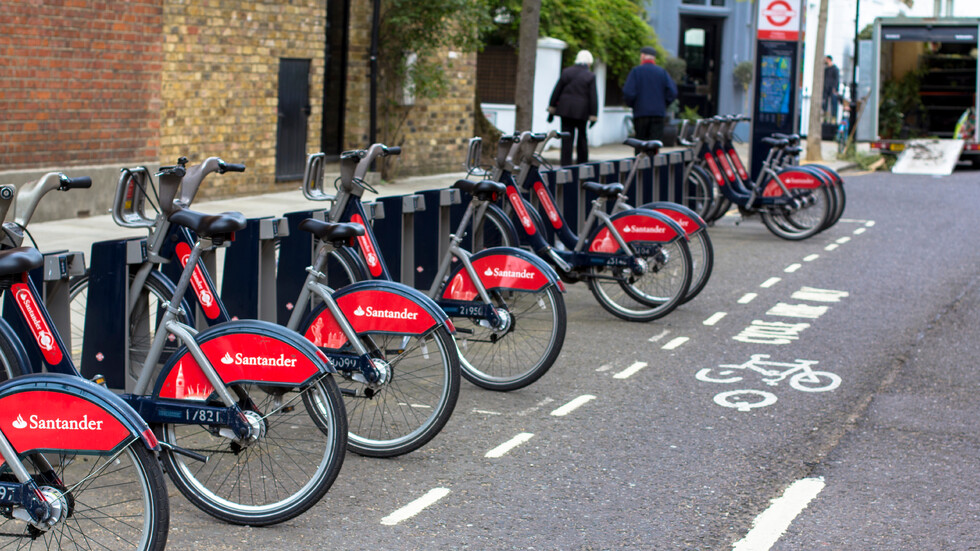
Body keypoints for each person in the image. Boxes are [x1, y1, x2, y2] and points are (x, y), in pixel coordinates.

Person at [548, 49, 599, 166]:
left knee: (566, 138)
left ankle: (565, 164)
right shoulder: (590, 76)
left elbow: (557, 90)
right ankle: (582, 163)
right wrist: (593, 115)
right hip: (582, 112)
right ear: (589, 62)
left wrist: (551, 109)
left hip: (565, 110)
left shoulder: (567, 72)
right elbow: (593, 97)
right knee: (582, 137)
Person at [622, 46, 677, 142]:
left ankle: (641, 156)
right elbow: (672, 92)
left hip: (641, 114)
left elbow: (628, 92)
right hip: (658, 114)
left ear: (642, 56)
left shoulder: (636, 72)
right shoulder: (662, 72)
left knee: (640, 143)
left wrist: (634, 105)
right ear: (654, 58)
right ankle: (653, 157)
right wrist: (663, 104)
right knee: (654, 144)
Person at [823, 55, 840, 121]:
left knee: (833, 104)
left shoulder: (835, 69)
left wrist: (835, 88)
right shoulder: (826, 70)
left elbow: (837, 79)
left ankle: (833, 119)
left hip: (832, 89)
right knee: (825, 104)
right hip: (826, 89)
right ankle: (825, 118)